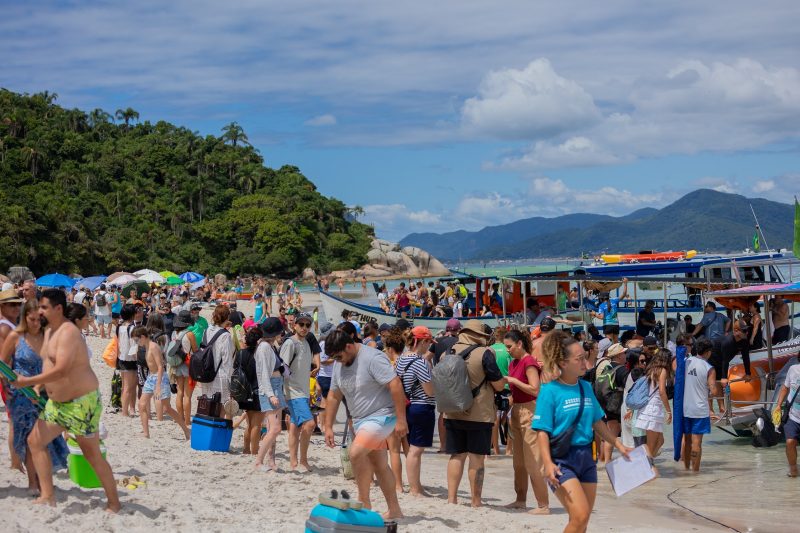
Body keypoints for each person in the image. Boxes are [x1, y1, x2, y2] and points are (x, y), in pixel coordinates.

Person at [15, 289, 120, 511]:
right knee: (35, 441)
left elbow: (61, 369)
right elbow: (48, 363)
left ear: (58, 308)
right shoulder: (50, 330)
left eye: (44, 307)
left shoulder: (68, 332)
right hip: (58, 404)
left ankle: (114, 502)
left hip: (82, 402)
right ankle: (47, 495)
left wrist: (27, 380)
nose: (40, 311)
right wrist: (37, 386)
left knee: (91, 454)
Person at [532, 331, 631, 533]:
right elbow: (542, 432)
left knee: (581, 521)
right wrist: (548, 464)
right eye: (579, 359)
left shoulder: (586, 387)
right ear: (563, 363)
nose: (585, 362)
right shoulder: (549, 391)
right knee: (581, 515)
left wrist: (620, 445)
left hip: (587, 458)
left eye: (584, 357)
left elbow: (597, 422)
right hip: (561, 461)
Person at [323, 329, 408, 519]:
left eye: (339, 356)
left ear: (349, 346)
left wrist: (401, 420)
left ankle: (364, 504)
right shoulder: (339, 363)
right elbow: (334, 395)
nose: (338, 361)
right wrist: (328, 426)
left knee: (355, 453)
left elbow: (395, 385)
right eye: (334, 358)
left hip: (382, 415)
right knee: (379, 464)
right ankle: (395, 510)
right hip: (361, 421)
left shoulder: (373, 358)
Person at [0, 298, 69, 493]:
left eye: (39, 319)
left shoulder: (48, 336)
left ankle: (43, 481)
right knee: (30, 440)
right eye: (31, 319)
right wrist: (12, 384)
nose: (35, 323)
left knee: (45, 440)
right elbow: (3, 365)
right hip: (22, 395)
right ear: (24, 318)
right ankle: (33, 482)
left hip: (46, 393)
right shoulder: (15, 336)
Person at [442, 320, 506, 507]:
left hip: (452, 411)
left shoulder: (448, 352)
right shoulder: (484, 353)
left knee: (456, 456)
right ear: (479, 336)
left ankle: (451, 498)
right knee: (476, 458)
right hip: (479, 413)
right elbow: (499, 385)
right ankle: (475, 501)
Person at [502, 329, 549, 514]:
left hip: (530, 410)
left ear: (519, 344)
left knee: (533, 460)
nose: (508, 350)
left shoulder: (528, 361)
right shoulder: (514, 362)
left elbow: (535, 389)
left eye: (509, 346)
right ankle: (520, 499)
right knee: (519, 461)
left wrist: (513, 380)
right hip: (517, 410)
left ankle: (543, 504)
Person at [396, 326, 436, 497]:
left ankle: (416, 485)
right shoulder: (420, 362)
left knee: (412, 448)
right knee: (416, 450)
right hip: (422, 406)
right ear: (422, 341)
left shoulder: (400, 360)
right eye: (428, 342)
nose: (429, 347)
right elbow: (429, 391)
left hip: (407, 406)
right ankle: (414, 489)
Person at [132, 326, 190, 439]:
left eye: (136, 340)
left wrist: (158, 385)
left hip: (160, 378)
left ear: (143, 337)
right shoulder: (146, 346)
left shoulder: (154, 347)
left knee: (167, 408)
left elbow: (160, 367)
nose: (136, 343)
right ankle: (146, 433)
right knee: (141, 404)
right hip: (151, 377)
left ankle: (186, 429)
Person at [281, 312, 316, 471]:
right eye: (301, 324)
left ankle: (294, 462)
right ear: (294, 325)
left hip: (304, 391)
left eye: (307, 325)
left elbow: (305, 368)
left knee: (295, 426)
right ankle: (303, 460)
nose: (304, 328)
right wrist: (283, 389)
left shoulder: (307, 343)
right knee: (309, 424)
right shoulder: (290, 343)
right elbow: (283, 367)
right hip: (293, 391)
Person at [254, 318, 288, 472]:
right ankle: (258, 461)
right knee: (275, 429)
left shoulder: (270, 346)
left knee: (273, 428)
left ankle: (271, 460)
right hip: (270, 389)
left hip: (276, 386)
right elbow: (262, 375)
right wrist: (270, 394)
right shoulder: (264, 348)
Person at [634, 348, 673, 462]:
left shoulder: (651, 369)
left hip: (647, 408)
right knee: (651, 445)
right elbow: (662, 391)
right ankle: (645, 466)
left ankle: (646, 463)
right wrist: (669, 411)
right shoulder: (663, 370)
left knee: (660, 441)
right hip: (654, 409)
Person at [682, 339, 715, 472]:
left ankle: (685, 469)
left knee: (686, 440)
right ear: (707, 352)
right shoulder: (709, 368)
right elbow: (713, 391)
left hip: (685, 408)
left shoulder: (686, 362)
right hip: (700, 410)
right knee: (696, 443)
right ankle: (695, 471)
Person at [709, 319, 753, 412]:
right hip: (713, 357)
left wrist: (748, 373)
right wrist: (724, 377)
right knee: (714, 383)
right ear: (736, 331)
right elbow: (725, 360)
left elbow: (746, 357)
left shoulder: (744, 341)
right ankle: (710, 409)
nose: (747, 332)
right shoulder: (728, 341)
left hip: (723, 360)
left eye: (747, 330)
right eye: (744, 330)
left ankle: (722, 407)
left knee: (720, 384)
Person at [199, 305, 235, 415]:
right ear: (227, 317)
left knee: (208, 405)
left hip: (206, 373)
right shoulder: (225, 335)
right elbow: (227, 360)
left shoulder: (207, 330)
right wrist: (231, 381)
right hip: (220, 374)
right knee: (221, 408)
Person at [773, 351, 800, 477]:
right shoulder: (793, 369)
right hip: (793, 415)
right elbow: (785, 387)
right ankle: (793, 469)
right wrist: (778, 405)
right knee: (790, 442)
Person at [169, 310, 197, 426]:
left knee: (179, 392)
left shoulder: (174, 334)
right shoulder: (189, 334)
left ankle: (180, 419)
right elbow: (195, 351)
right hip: (187, 365)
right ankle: (186, 420)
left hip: (176, 365)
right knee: (187, 395)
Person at [116, 304, 138, 417]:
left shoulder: (120, 326)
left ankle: (132, 409)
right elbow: (134, 346)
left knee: (128, 386)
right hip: (130, 359)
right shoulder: (132, 328)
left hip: (121, 358)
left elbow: (119, 343)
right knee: (128, 388)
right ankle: (125, 411)